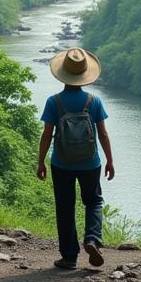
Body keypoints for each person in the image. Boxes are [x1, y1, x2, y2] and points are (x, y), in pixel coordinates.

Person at [36, 47, 114, 270]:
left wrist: (40, 161)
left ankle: (69, 257)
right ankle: (92, 239)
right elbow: (103, 134)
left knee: (65, 206)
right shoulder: (94, 101)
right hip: (90, 162)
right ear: (84, 76)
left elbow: (46, 135)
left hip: (62, 162)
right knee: (94, 201)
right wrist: (109, 160)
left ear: (63, 74)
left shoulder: (54, 102)